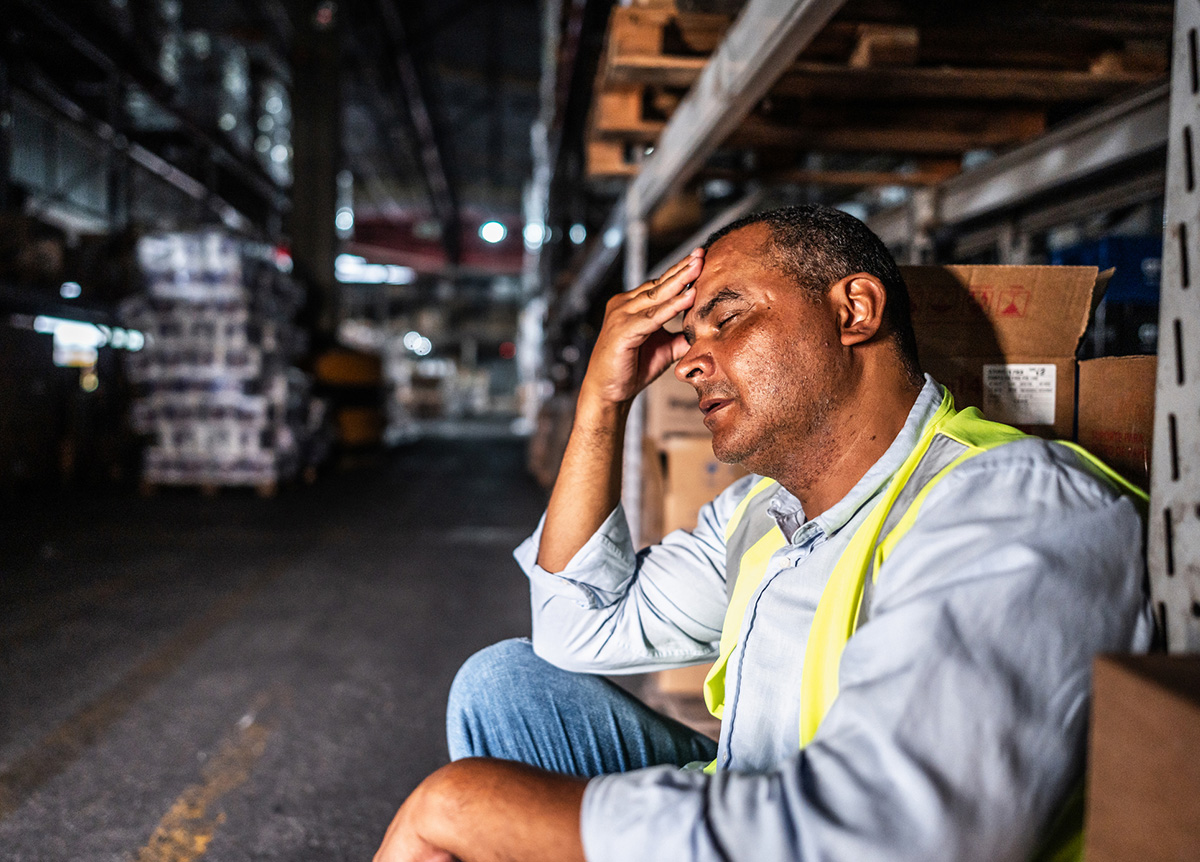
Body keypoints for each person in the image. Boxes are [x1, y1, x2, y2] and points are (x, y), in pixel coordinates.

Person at [374, 206, 1152, 862]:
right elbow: (578, 629)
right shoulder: (764, 513)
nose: (689, 361)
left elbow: (888, 838)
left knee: (475, 797)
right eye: (688, 333)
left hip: (839, 837)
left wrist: (462, 805)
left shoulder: (1010, 507)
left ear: (854, 311)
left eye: (727, 317)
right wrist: (601, 405)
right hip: (761, 793)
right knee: (506, 686)